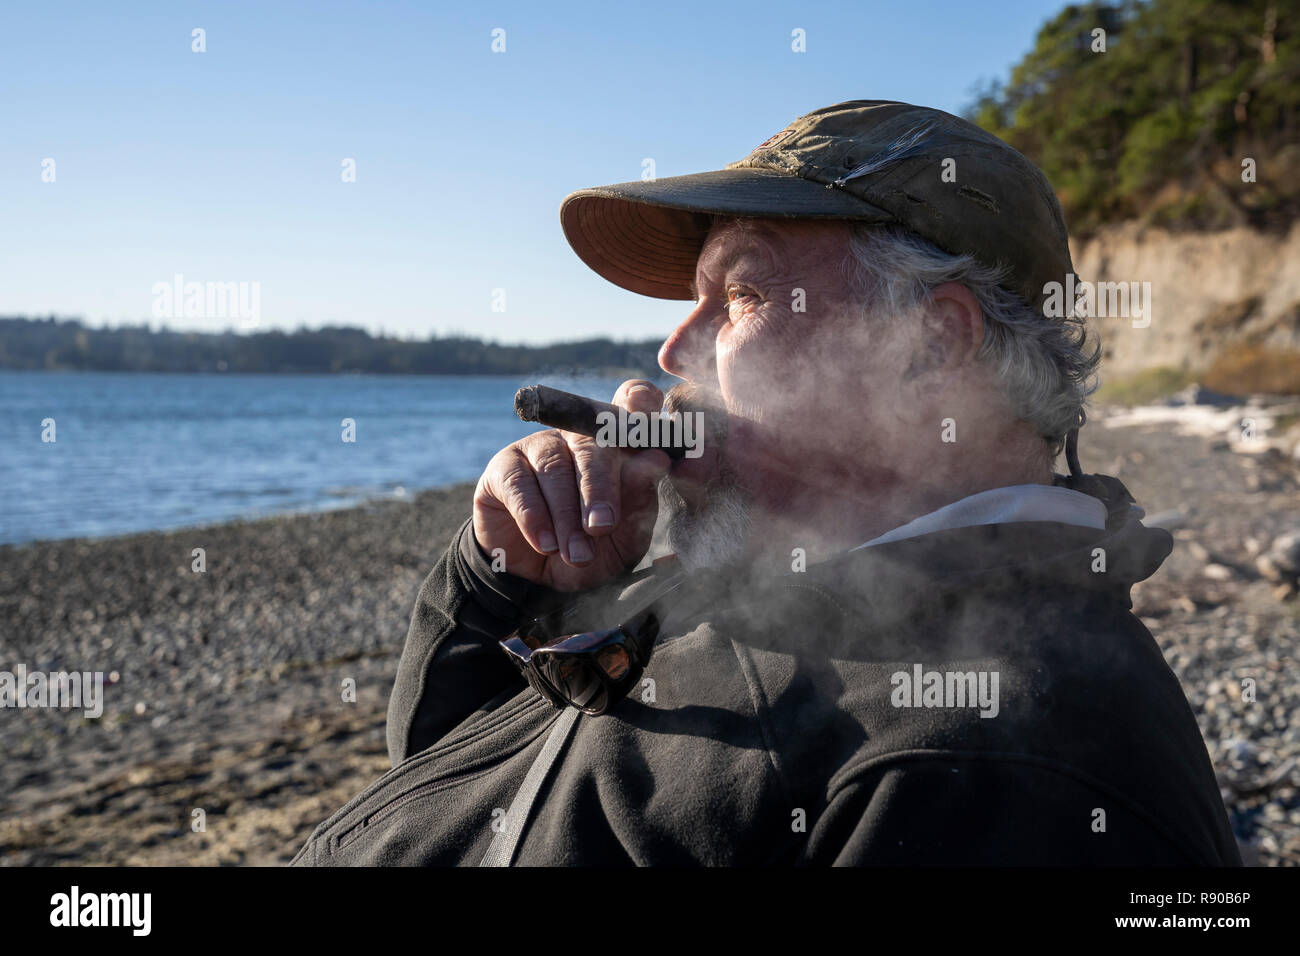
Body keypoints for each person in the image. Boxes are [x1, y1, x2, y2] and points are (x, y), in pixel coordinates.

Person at [292, 100, 1242, 866]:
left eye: (741, 295)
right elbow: (438, 788)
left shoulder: (1001, 767)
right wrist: (522, 579)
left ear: (931, 343)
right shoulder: (782, 572)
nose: (673, 348)